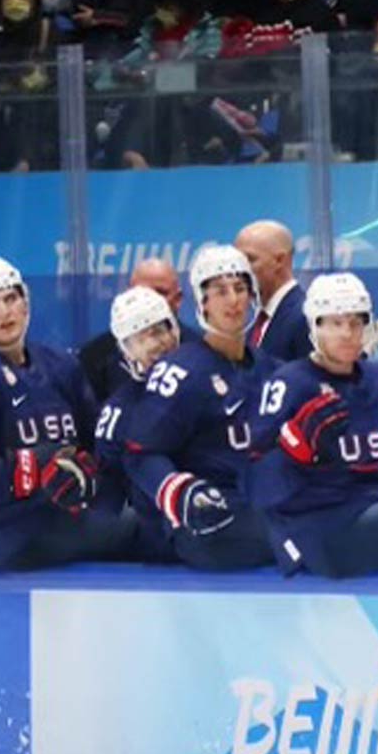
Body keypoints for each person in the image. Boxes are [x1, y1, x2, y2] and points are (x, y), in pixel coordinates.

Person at [0, 257, 135, 571]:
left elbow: (95, 441)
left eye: (11, 298)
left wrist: (87, 476)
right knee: (147, 534)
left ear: (26, 303)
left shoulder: (60, 364)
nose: (4, 311)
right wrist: (31, 470)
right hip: (4, 533)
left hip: (62, 515)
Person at [251, 272, 378, 578]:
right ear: (314, 327)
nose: (347, 333)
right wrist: (297, 448)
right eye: (335, 323)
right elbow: (260, 485)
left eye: (355, 323)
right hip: (322, 525)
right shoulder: (288, 384)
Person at [119, 243, 274, 572]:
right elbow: (138, 452)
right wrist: (180, 492)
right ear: (202, 302)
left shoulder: (270, 368)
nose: (233, 300)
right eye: (219, 291)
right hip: (208, 526)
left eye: (240, 288)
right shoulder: (180, 371)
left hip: (258, 508)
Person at [93, 287, 187, 562]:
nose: (154, 344)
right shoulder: (118, 412)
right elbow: (108, 497)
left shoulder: (206, 380)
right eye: (139, 338)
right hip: (161, 545)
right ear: (125, 350)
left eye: (159, 330)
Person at [78, 259, 184, 406]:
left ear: (178, 299)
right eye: (140, 292)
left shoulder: (201, 350)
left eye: (160, 292)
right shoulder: (95, 357)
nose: (149, 300)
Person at [236, 219, 309, 361]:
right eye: (237, 262)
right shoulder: (256, 320)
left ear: (279, 261)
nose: (240, 270)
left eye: (250, 259)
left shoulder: (304, 318)